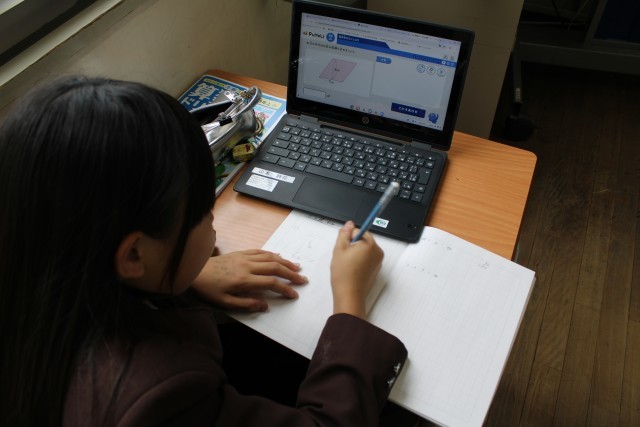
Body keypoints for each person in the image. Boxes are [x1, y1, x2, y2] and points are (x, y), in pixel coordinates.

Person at [0, 76, 409, 426]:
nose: (213, 218)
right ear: (134, 256)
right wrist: (350, 302)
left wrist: (186, 277)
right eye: (201, 209)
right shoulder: (160, 398)